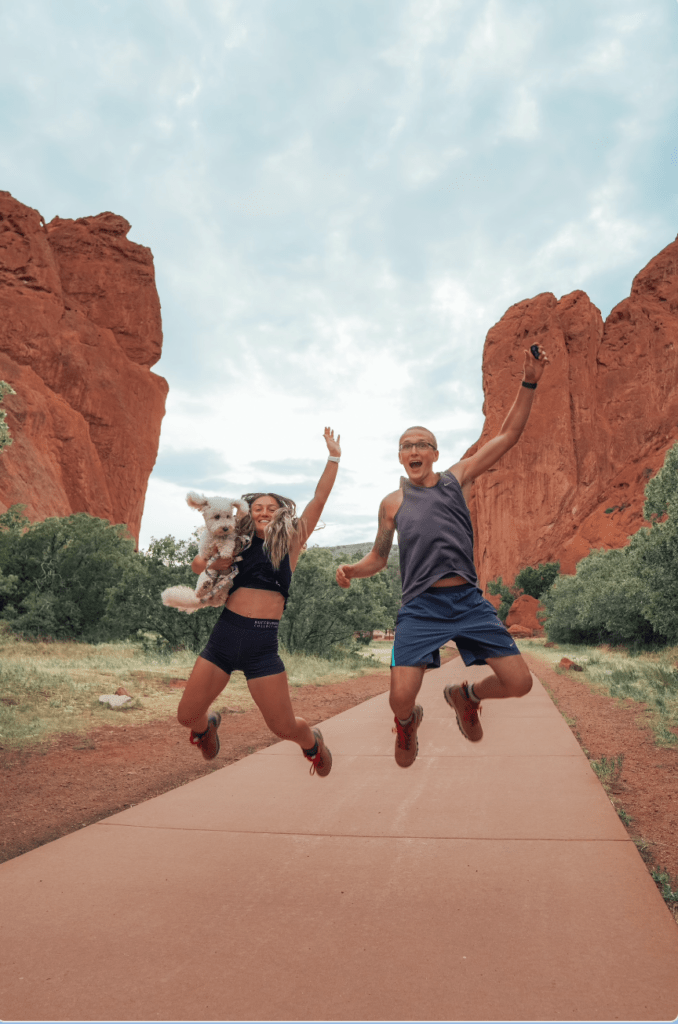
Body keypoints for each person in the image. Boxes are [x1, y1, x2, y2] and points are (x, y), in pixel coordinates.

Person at [336, 347, 549, 767]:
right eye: (406, 446)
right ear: (400, 457)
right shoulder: (391, 503)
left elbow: (507, 437)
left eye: (422, 444)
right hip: (420, 607)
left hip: (468, 602)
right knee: (399, 698)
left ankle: (467, 696)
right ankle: (407, 722)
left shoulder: (457, 480)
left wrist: (529, 381)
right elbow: (379, 558)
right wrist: (351, 570)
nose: (414, 450)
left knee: (519, 683)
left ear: (434, 453)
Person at [177, 427, 341, 777]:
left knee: (282, 728)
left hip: (262, 644)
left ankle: (312, 743)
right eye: (257, 507)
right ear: (248, 512)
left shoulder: (292, 541)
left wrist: (333, 457)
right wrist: (213, 565)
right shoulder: (233, 541)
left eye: (272, 507)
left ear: (282, 512)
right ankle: (207, 728)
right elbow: (195, 565)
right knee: (186, 716)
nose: (264, 511)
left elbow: (319, 499)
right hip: (225, 636)